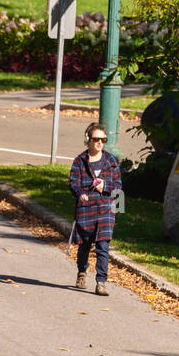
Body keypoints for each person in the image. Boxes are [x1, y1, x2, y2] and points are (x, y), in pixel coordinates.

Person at [68, 122, 121, 295]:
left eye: (103, 139)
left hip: (106, 208)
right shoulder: (80, 161)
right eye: (96, 139)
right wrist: (79, 194)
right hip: (86, 209)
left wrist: (106, 187)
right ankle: (82, 272)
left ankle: (101, 282)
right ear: (88, 140)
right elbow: (73, 183)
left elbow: (119, 188)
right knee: (84, 244)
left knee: (103, 246)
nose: (99, 143)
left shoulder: (111, 161)